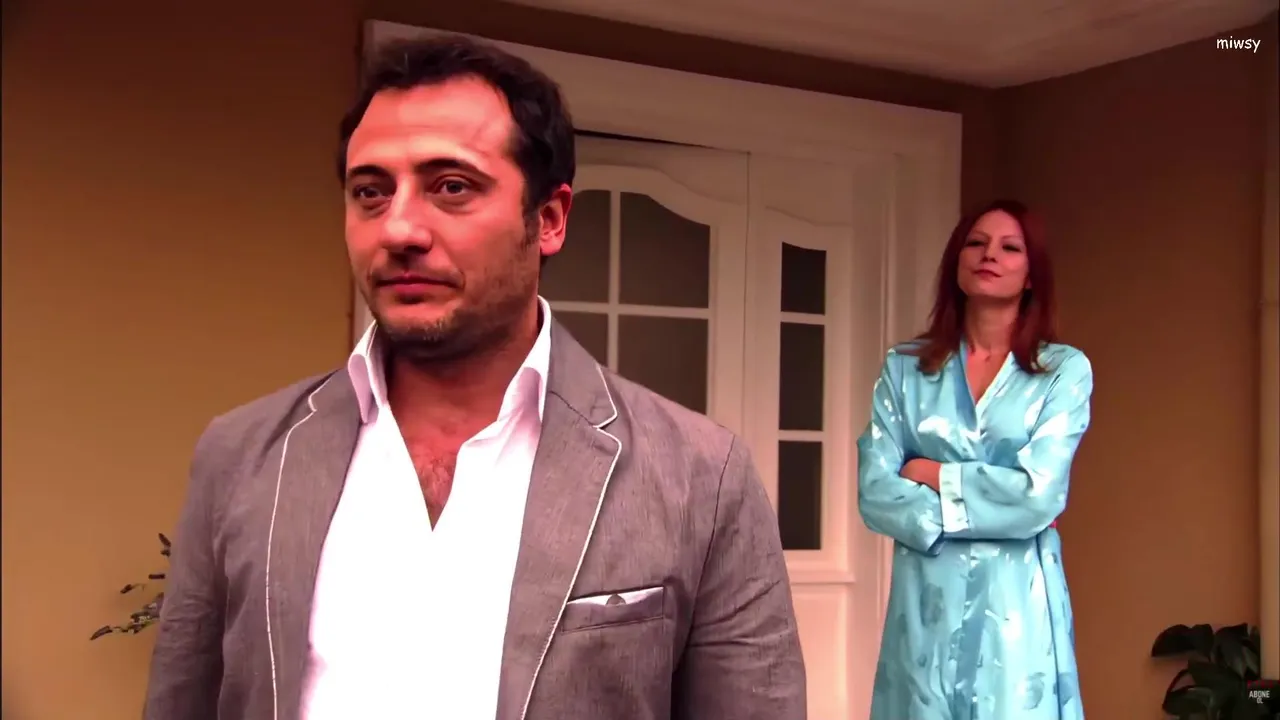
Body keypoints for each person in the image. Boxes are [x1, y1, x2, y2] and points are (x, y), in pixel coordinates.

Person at [143, 34, 805, 720]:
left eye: (451, 187)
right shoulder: (240, 455)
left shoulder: (700, 477)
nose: (399, 229)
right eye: (370, 192)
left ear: (549, 219)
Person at [857, 199, 1092, 720]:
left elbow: (1038, 496)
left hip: (1017, 610)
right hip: (924, 604)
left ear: (1031, 274)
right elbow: (875, 491)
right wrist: (990, 505)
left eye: (1010, 248)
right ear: (956, 261)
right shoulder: (904, 369)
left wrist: (931, 474)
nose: (990, 255)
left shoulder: (1063, 372)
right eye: (976, 243)